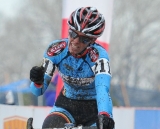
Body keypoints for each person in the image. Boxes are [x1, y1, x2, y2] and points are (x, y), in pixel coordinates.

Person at [30, 7, 115, 129]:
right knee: (49, 126)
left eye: (84, 38)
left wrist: (104, 114)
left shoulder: (99, 57)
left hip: (94, 107)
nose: (75, 41)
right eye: (73, 33)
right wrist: (37, 82)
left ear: (92, 41)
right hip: (66, 105)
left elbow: (103, 89)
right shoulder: (57, 50)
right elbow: (37, 92)